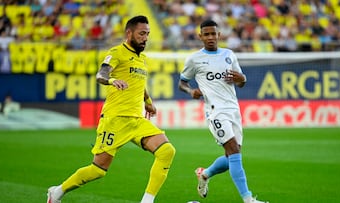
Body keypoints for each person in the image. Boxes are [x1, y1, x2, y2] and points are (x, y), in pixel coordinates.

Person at [47, 15, 176, 203]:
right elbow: (101, 74)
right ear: (129, 33)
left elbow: (139, 83)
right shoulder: (116, 52)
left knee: (167, 151)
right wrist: (112, 80)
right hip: (114, 120)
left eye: (147, 34)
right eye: (141, 33)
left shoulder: (143, 59)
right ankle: (57, 192)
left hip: (136, 120)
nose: (145, 38)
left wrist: (148, 101)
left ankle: (147, 201)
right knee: (98, 170)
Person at [178, 19, 268, 203]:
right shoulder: (194, 59)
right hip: (215, 111)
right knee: (234, 151)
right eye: (207, 34)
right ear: (200, 36)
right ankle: (248, 199)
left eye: (214, 34)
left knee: (231, 158)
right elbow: (182, 82)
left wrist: (241, 77)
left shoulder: (229, 55)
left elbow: (241, 81)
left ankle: (205, 174)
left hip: (233, 109)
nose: (210, 37)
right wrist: (190, 91)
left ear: (219, 35)